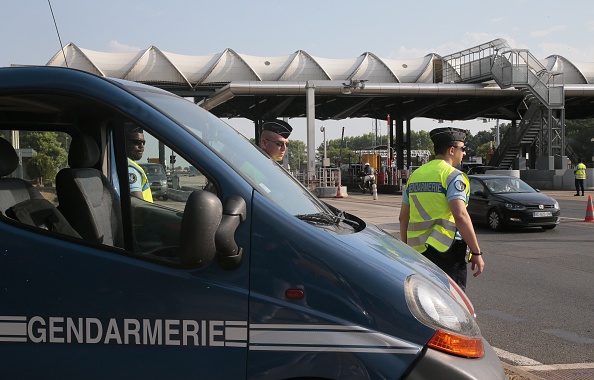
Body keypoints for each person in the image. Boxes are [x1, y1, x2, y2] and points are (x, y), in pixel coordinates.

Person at [398, 127, 484, 291]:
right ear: (452, 150)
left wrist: (406, 248)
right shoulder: (453, 176)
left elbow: (403, 218)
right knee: (451, 301)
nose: (464, 153)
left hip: (417, 251)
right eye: (462, 149)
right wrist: (476, 252)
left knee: (426, 298)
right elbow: (460, 215)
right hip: (447, 251)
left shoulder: (415, 176)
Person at [126, 125, 153, 202]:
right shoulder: (131, 169)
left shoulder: (129, 164)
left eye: (143, 143)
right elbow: (138, 205)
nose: (141, 146)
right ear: (126, 143)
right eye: (137, 142)